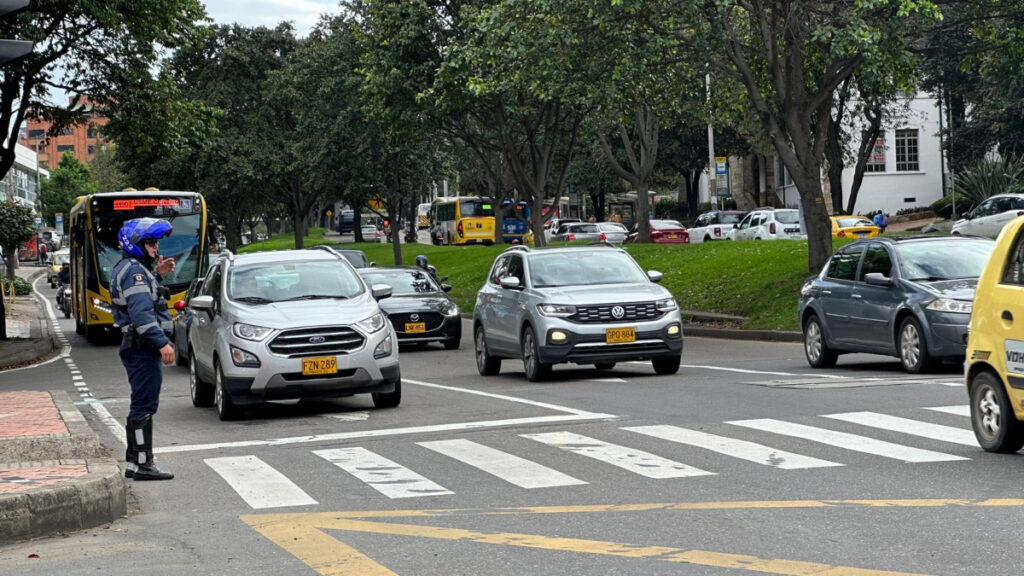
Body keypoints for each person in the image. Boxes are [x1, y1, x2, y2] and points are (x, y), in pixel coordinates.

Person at [109, 218, 176, 481]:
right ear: (135, 243)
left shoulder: (132, 268)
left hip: (137, 346)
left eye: (156, 242)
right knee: (144, 405)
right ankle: (144, 463)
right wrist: (162, 343)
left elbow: (143, 297)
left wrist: (157, 274)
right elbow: (141, 313)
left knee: (141, 403)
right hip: (142, 346)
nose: (155, 247)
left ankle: (134, 462)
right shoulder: (135, 272)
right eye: (150, 242)